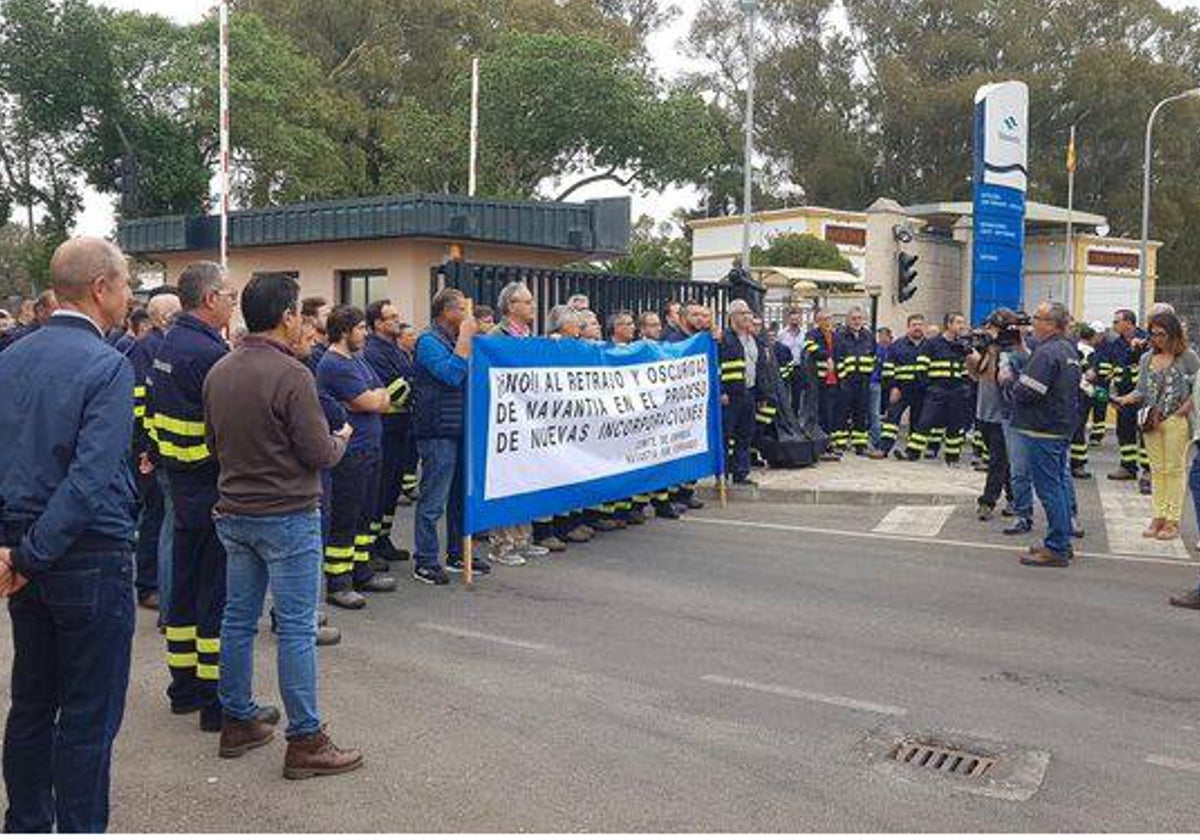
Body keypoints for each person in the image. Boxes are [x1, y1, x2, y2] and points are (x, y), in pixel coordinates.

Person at [0, 236, 136, 832]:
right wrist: (26, 554)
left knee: (32, 702)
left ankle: (27, 822)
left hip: (26, 552)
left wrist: (15, 552)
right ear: (101, 288)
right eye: (128, 283)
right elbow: (89, 480)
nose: (131, 295)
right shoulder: (108, 364)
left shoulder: (10, 359)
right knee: (86, 715)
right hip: (85, 556)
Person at [203, 272, 363, 778]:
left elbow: (213, 445)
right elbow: (318, 452)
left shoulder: (220, 370)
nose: (304, 323)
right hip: (288, 515)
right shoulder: (293, 375)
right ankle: (306, 739)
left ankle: (237, 719)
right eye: (300, 314)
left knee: (237, 619)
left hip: (235, 513)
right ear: (287, 316)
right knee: (295, 628)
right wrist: (341, 438)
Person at [150, 261, 243, 733]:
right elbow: (227, 430)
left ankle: (182, 687)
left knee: (184, 592)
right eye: (229, 294)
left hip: (180, 484)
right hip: (209, 487)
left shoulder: (169, 342)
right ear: (210, 299)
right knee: (214, 596)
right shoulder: (208, 354)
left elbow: (153, 417)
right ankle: (215, 701)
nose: (233, 302)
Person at [316, 305, 398, 609]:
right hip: (350, 453)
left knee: (366, 513)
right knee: (346, 517)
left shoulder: (359, 360)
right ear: (344, 332)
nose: (365, 333)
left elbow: (382, 395)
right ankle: (339, 582)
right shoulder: (334, 364)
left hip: (370, 448)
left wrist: (374, 399)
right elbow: (370, 400)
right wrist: (373, 400)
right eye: (360, 328)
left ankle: (361, 570)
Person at [412, 288, 488, 583]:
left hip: (460, 429)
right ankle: (426, 561)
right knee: (434, 500)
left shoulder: (455, 339)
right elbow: (451, 374)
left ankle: (458, 553)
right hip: (437, 430)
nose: (467, 316)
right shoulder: (428, 342)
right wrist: (466, 338)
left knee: (460, 498)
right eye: (462, 309)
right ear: (446, 312)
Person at [1114, 311, 1197, 541]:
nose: (1157, 339)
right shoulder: (1146, 359)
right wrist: (1124, 399)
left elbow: (1198, 387)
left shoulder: (1188, 357)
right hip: (1151, 420)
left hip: (1176, 421)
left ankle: (1172, 520)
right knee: (1156, 470)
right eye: (1153, 334)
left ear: (1173, 334)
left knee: (1174, 470)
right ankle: (1158, 516)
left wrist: (1185, 407)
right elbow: (1141, 390)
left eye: (1161, 334)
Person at [488, 282, 554, 561]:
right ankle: (501, 544)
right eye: (527, 302)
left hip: (529, 422)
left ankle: (523, 538)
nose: (532, 306)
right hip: (505, 423)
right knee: (505, 481)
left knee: (527, 479)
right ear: (510, 306)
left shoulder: (529, 336)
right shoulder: (496, 336)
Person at [1013, 301, 1082, 568]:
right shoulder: (1067, 350)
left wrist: (1013, 382)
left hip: (1043, 428)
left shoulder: (1046, 352)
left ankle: (1056, 547)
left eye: (1038, 318)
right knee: (1060, 485)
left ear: (1052, 324)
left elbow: (1029, 391)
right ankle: (1061, 540)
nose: (1033, 323)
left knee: (1049, 488)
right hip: (1060, 426)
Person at [129, 291, 182, 614]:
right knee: (155, 518)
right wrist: (150, 447)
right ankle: (148, 585)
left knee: (161, 517)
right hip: (148, 447)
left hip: (156, 445)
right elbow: (140, 403)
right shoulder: (146, 347)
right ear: (163, 317)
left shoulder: (159, 345)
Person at [361, 299, 414, 571]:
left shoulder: (395, 350)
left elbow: (407, 380)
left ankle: (383, 540)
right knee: (379, 491)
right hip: (385, 426)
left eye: (396, 315)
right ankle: (369, 546)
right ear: (378, 324)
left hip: (400, 427)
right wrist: (412, 386)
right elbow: (397, 390)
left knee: (392, 488)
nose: (397, 320)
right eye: (391, 317)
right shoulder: (374, 352)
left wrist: (410, 384)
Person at [970, 310, 1017, 520]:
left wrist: (996, 349)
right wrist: (972, 353)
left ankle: (987, 501)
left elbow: (1004, 378)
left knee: (997, 461)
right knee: (1002, 461)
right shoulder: (986, 347)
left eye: (992, 327)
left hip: (1003, 416)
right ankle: (1016, 497)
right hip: (984, 412)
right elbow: (975, 374)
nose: (988, 331)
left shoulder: (1012, 351)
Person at [907, 312, 970, 464]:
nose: (962, 326)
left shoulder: (962, 345)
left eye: (963, 323)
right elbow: (921, 367)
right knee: (925, 422)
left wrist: (964, 387)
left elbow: (965, 369)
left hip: (956, 391)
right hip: (937, 389)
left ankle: (952, 457)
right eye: (958, 323)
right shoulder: (932, 343)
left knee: (955, 425)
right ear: (949, 325)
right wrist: (929, 386)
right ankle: (913, 453)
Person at [720, 299, 767, 486]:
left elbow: (760, 368)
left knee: (745, 435)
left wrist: (761, 395)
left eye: (748, 312)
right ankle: (722, 474)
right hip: (730, 396)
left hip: (749, 392)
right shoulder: (724, 338)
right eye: (743, 313)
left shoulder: (754, 340)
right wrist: (721, 391)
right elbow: (716, 366)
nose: (748, 316)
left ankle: (741, 473)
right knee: (725, 435)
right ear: (732, 317)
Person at [1104, 309, 1150, 490]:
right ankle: (1128, 467)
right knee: (1124, 430)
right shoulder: (1115, 344)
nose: (1114, 325)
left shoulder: (1145, 340)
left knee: (1145, 432)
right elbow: (1109, 367)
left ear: (1129, 323)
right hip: (1123, 394)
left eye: (1117, 322)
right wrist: (1112, 394)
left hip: (1142, 394)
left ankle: (1148, 470)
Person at [874, 314, 926, 459]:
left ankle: (912, 452)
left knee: (917, 422)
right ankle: (883, 449)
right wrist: (893, 387)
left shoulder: (929, 346)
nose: (917, 327)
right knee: (892, 419)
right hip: (901, 389)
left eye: (920, 324)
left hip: (921, 390)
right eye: (914, 324)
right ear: (908, 327)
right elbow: (888, 368)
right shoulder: (897, 345)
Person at [832, 306, 877, 456]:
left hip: (863, 381)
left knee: (861, 412)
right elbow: (837, 358)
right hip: (846, 381)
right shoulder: (840, 336)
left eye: (859, 318)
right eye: (853, 318)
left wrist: (868, 375)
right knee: (842, 413)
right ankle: (840, 443)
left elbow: (873, 357)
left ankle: (860, 444)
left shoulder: (869, 336)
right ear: (847, 320)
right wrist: (842, 378)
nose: (857, 321)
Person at [804, 310, 840, 458]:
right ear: (817, 321)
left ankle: (829, 443)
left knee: (830, 413)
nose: (827, 322)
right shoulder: (812, 334)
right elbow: (811, 347)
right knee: (820, 412)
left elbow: (840, 353)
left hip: (834, 380)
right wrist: (827, 357)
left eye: (828, 319)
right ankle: (820, 445)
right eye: (823, 319)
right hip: (818, 380)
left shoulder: (836, 336)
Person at [871, 327, 893, 448]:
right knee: (875, 412)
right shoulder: (876, 348)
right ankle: (876, 438)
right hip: (874, 382)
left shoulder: (891, 349)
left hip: (884, 384)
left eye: (882, 335)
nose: (880, 338)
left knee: (877, 413)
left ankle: (878, 440)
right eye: (879, 336)